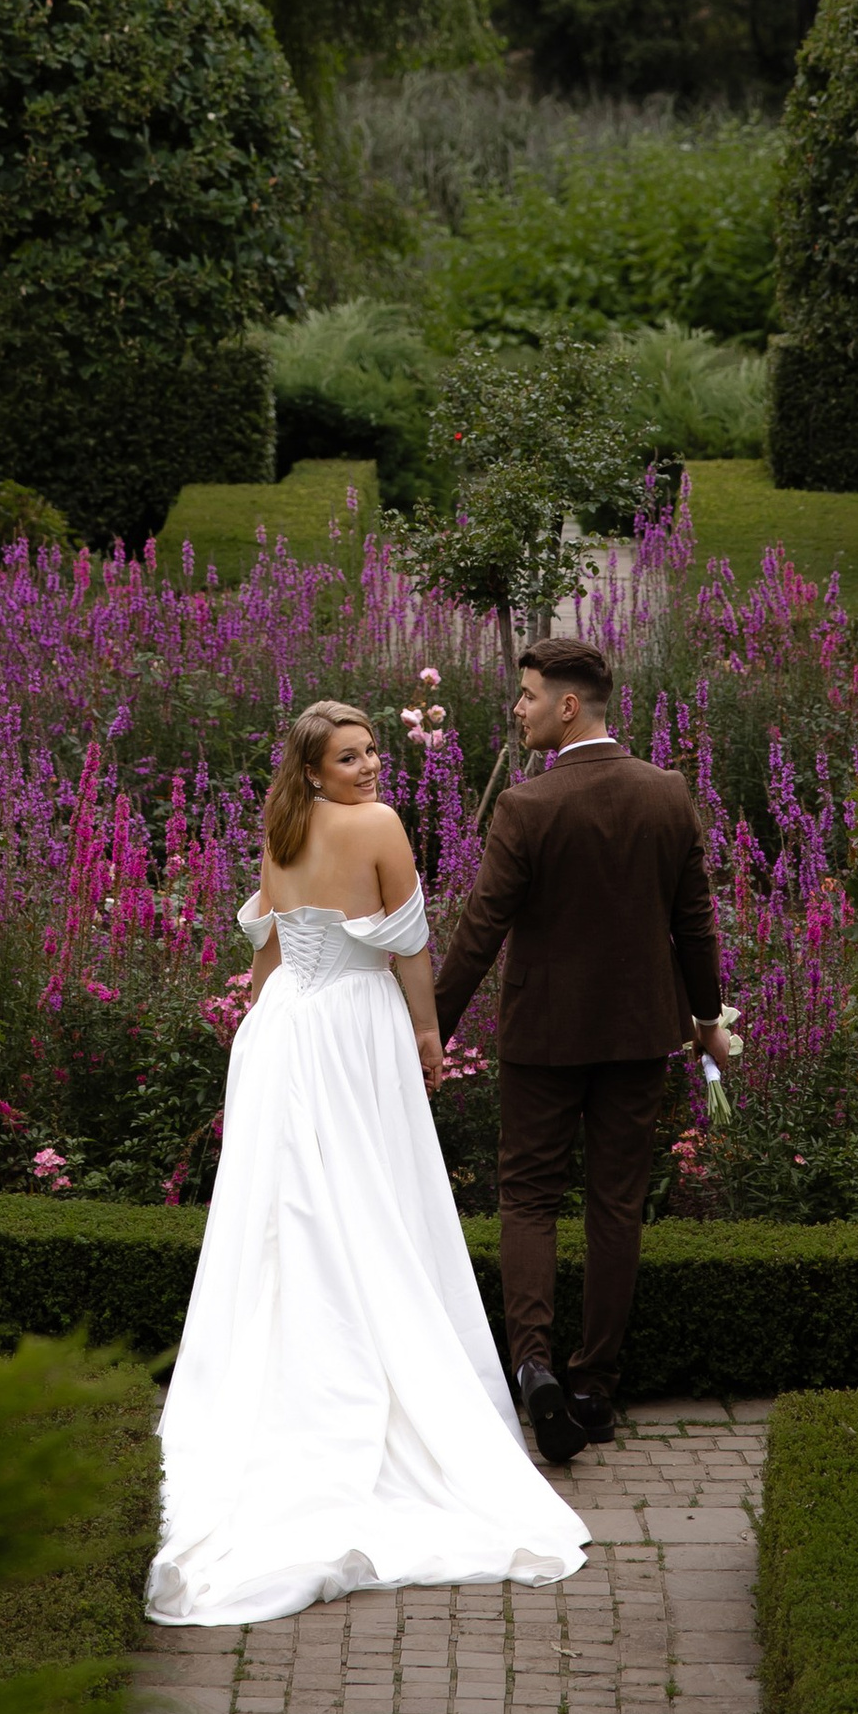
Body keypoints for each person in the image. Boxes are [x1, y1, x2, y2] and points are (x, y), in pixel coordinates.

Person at [145, 695, 588, 1626]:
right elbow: (412, 950)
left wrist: (256, 1031)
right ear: (313, 769)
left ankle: (292, 1366)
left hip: (282, 1034)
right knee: (368, 1197)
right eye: (351, 757)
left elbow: (267, 957)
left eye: (374, 751)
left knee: (291, 1204)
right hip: (353, 1031)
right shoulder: (380, 826)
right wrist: (429, 1034)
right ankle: (372, 1364)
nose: (373, 766)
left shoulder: (284, 826)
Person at [432, 637, 730, 1467]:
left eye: (527, 696)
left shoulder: (527, 807)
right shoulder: (667, 794)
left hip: (544, 1036)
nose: (518, 709)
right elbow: (695, 923)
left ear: (569, 706)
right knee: (615, 1204)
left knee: (527, 1196)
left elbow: (480, 932)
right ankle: (594, 1387)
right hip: (639, 1035)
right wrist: (706, 1018)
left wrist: (430, 1031)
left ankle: (532, 1366)